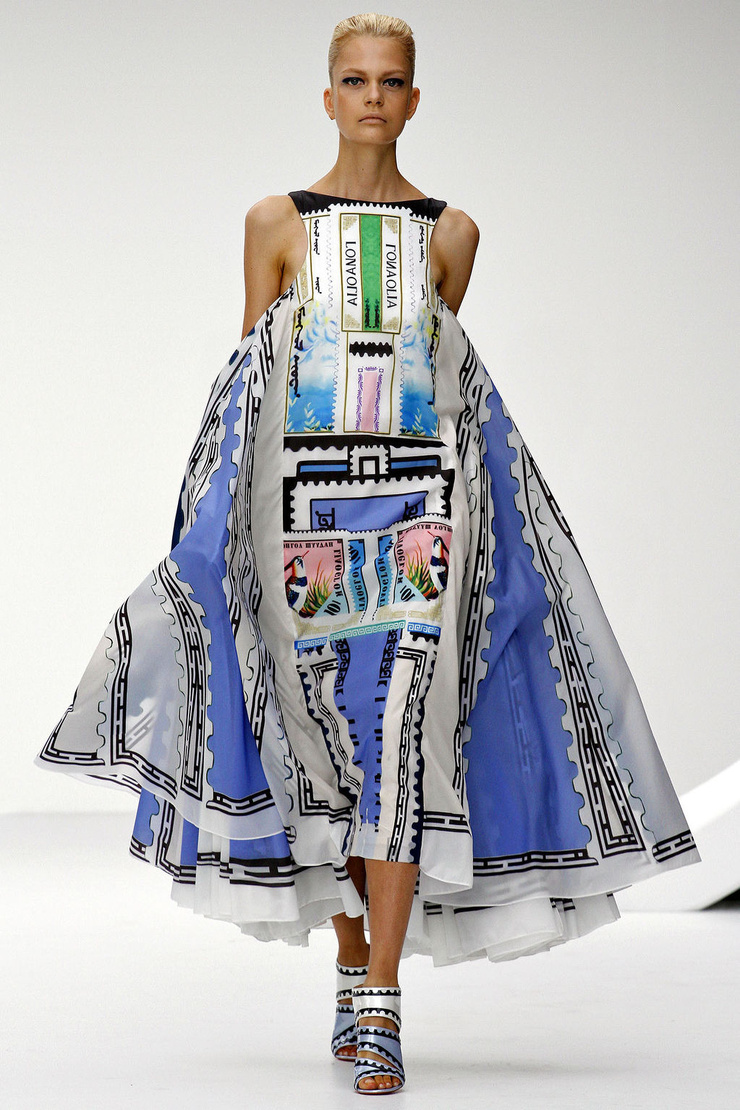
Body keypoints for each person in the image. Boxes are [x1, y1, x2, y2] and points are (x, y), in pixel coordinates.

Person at [35, 11, 701, 1098]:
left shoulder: (453, 232)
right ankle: (349, 966)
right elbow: (249, 377)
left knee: (400, 743)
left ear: (414, 99)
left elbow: (433, 379)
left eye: (390, 82)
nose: (373, 99)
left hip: (423, 521)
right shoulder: (274, 221)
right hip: (299, 523)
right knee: (323, 752)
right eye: (354, 80)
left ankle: (382, 996)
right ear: (329, 96)